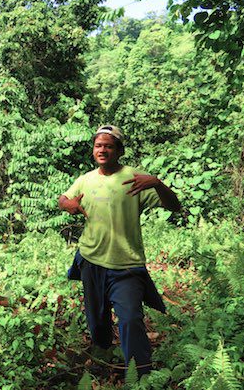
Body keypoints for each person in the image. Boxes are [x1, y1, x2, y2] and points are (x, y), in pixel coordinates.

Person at [58, 125, 181, 377]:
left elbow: (174, 206)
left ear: (119, 150)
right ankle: (103, 356)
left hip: (126, 265)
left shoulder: (135, 178)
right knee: (97, 320)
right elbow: (64, 199)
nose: (102, 150)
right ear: (93, 150)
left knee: (130, 319)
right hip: (91, 261)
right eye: (98, 145)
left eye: (109, 145)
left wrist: (157, 183)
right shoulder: (86, 179)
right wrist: (67, 204)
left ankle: (140, 376)